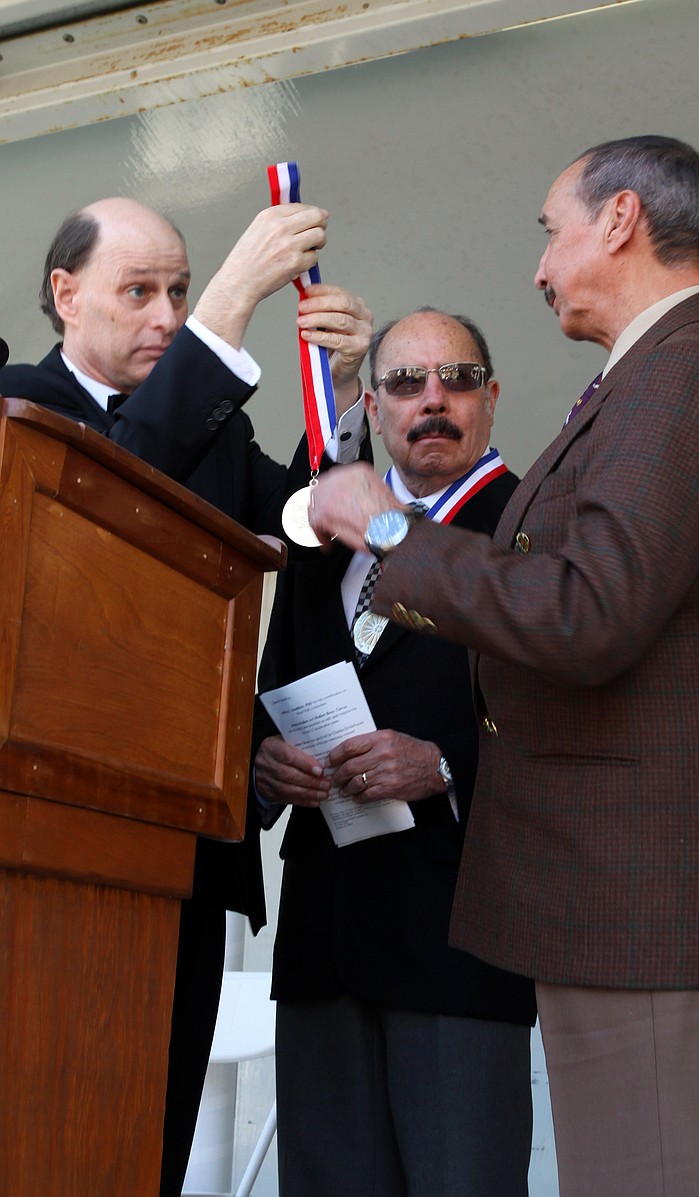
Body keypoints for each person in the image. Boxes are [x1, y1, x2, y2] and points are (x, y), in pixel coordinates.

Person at [305, 136, 699, 1197]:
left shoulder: (690, 371)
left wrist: (392, 535)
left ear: (619, 220)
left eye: (550, 230)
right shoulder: (660, 373)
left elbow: (588, 608)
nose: (539, 266)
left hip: (649, 903)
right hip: (615, 904)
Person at [0, 195, 372, 1197]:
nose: (166, 315)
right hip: (48, 843)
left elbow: (300, 533)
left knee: (154, 1143)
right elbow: (109, 499)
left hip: (184, 850)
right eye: (140, 292)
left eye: (178, 291)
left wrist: (337, 400)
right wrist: (229, 299)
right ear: (65, 295)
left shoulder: (210, 423)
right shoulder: (18, 407)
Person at [253, 307, 537, 1197]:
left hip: (458, 936)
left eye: (457, 379)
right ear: (373, 409)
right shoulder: (318, 526)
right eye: (407, 383)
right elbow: (266, 684)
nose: (433, 401)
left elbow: (578, 719)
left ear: (491, 399)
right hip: (324, 937)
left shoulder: (535, 524)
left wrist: (447, 765)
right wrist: (265, 763)